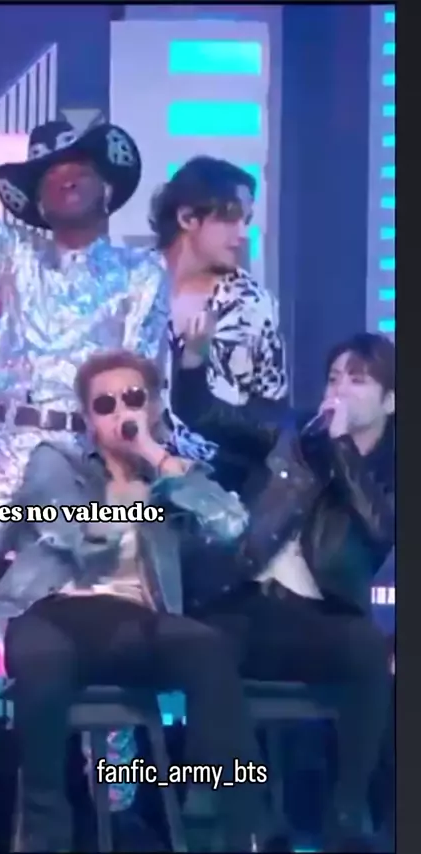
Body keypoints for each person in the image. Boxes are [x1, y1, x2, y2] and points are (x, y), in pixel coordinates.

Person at [0, 114, 169, 800]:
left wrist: (125, 471)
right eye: (49, 174)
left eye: (78, 168)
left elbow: (140, 381)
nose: (63, 178)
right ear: (37, 201)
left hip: (80, 458)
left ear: (108, 189)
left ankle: (115, 778)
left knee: (97, 598)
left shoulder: (139, 273)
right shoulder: (14, 257)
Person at [0, 348, 268, 854]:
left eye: (133, 398)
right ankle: (46, 833)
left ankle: (227, 820)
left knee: (207, 647)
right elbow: (66, 528)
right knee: (42, 663)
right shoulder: (57, 462)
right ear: (89, 419)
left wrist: (161, 461)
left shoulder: (170, 478)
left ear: (153, 407)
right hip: (55, 611)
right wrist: (123, 510)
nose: (120, 412)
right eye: (104, 404)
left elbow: (232, 526)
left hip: (135, 622)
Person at [190, 332, 395, 853]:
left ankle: (347, 812)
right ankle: (250, 818)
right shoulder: (290, 436)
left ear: (390, 401)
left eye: (357, 380)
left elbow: (378, 529)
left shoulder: (391, 469)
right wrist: (192, 360)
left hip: (324, 616)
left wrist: (342, 448)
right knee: (202, 647)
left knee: (370, 650)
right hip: (251, 601)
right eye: (334, 378)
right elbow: (207, 415)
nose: (339, 389)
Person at [149, 156, 289, 481]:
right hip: (134, 482)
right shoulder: (130, 287)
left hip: (220, 486)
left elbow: (271, 422)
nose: (241, 234)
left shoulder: (253, 307)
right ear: (187, 217)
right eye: (229, 218)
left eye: (246, 220)